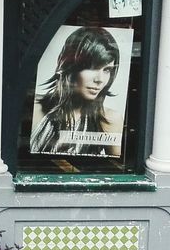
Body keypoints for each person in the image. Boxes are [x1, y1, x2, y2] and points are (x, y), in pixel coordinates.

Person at [30, 26, 124, 157]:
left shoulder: (109, 119)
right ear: (70, 67)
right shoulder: (35, 108)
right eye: (92, 68)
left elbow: (115, 169)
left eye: (107, 70)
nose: (100, 80)